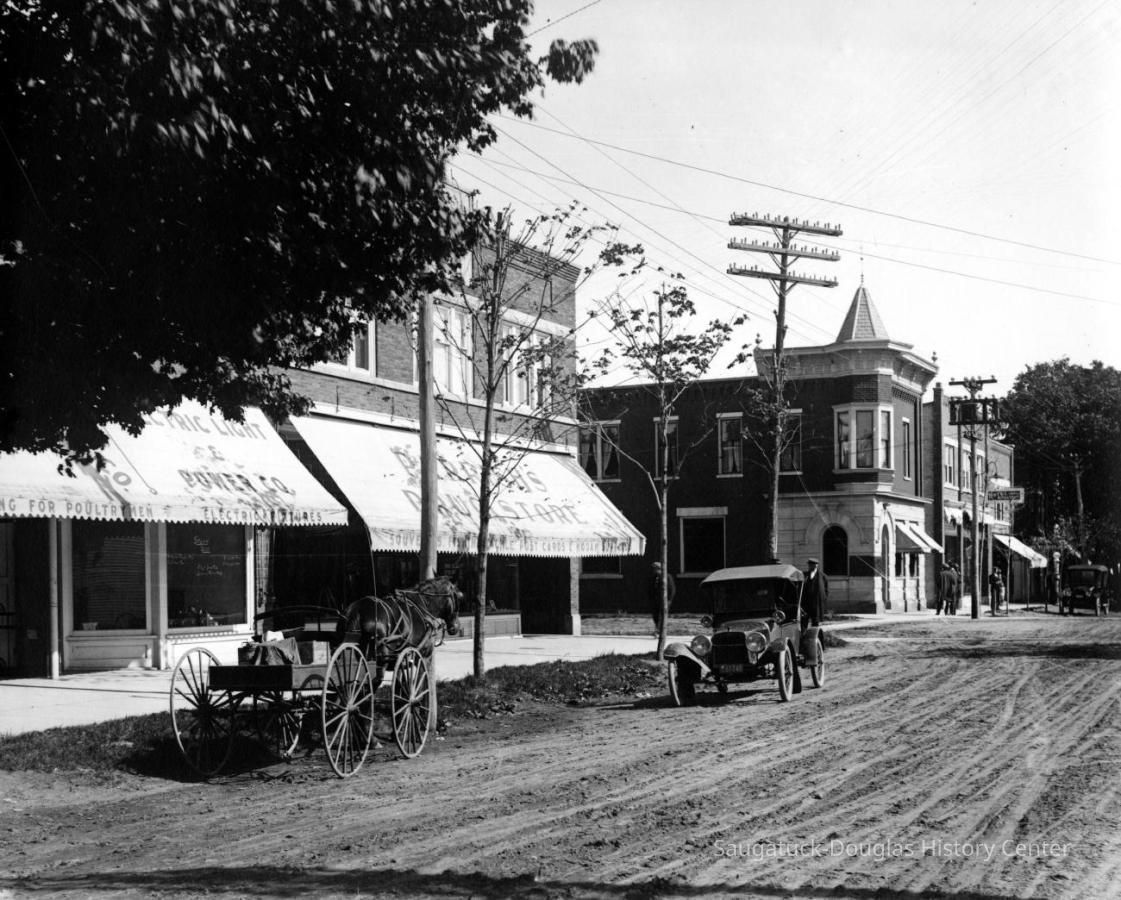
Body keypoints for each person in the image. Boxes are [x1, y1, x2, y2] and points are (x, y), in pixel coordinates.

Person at [649, 562, 675, 634]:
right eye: (654, 569)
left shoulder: (667, 577)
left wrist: (669, 600)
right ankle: (657, 628)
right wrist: (651, 598)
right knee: (655, 615)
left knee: (662, 616)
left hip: (664, 600)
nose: (654, 570)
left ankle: (661, 630)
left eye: (656, 569)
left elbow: (671, 589)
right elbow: (650, 588)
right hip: (655, 600)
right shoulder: (653, 578)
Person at [803, 557, 828, 627]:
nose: (810, 566)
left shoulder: (823, 576)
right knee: (804, 620)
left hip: (816, 603)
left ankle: (814, 632)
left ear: (816, 566)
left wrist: (823, 599)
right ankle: (803, 632)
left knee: (815, 621)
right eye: (809, 565)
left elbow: (826, 590)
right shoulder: (804, 575)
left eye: (812, 565)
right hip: (806, 602)